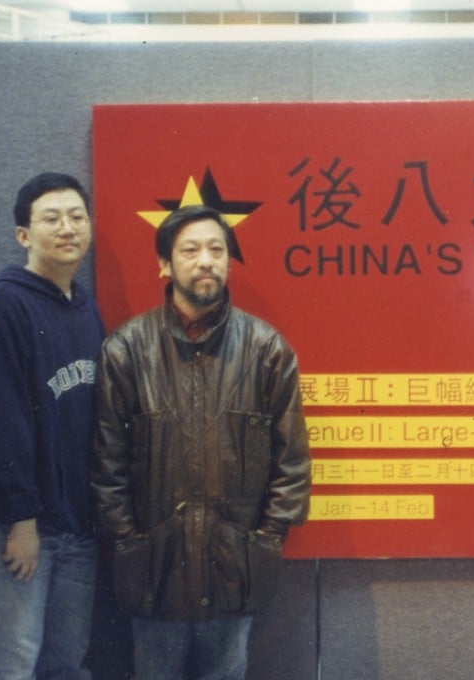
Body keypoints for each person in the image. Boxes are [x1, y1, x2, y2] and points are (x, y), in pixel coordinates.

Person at [92, 205, 311, 679]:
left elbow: (291, 463)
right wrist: (130, 541)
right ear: (165, 264)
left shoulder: (266, 350)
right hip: (154, 571)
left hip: (235, 570)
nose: (206, 260)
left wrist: (265, 541)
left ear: (230, 261)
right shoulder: (126, 350)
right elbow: (107, 466)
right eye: (190, 250)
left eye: (217, 249)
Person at [0, 173, 103, 678]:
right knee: (11, 665)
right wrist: (21, 521)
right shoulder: (4, 302)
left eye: (77, 217)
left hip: (76, 524)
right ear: (24, 234)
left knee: (68, 663)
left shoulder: (84, 306)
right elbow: (0, 419)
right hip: (19, 524)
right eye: (52, 219)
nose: (67, 228)